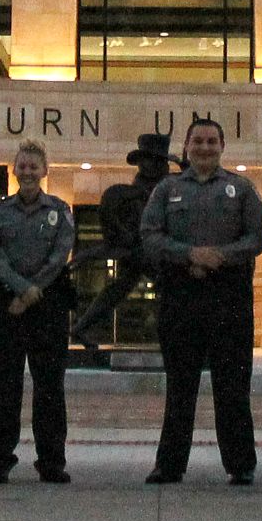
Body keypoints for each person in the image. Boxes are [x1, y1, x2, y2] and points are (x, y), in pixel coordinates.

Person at [141, 118, 262, 486]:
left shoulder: (241, 188)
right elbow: (150, 234)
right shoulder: (167, 190)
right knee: (180, 386)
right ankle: (170, 465)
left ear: (223, 146)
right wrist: (190, 255)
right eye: (198, 141)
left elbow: (258, 236)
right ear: (186, 145)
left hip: (229, 299)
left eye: (212, 141)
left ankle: (241, 464)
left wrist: (220, 257)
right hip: (181, 298)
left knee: (232, 386)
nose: (205, 147)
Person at [0, 140, 77, 484]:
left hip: (48, 309)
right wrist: (22, 290)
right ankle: (0, 459)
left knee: (50, 388)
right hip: (8, 308)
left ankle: (51, 461)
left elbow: (60, 254)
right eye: (23, 165)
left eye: (35, 166)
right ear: (14, 169)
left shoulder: (61, 210)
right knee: (4, 388)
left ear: (45, 170)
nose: (28, 172)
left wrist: (33, 290)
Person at [71, 133, 174, 356]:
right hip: (139, 249)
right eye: (147, 159)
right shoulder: (139, 189)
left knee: (122, 288)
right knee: (143, 287)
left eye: (156, 160)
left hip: (153, 250)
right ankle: (80, 328)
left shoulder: (166, 186)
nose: (150, 164)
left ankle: (80, 328)